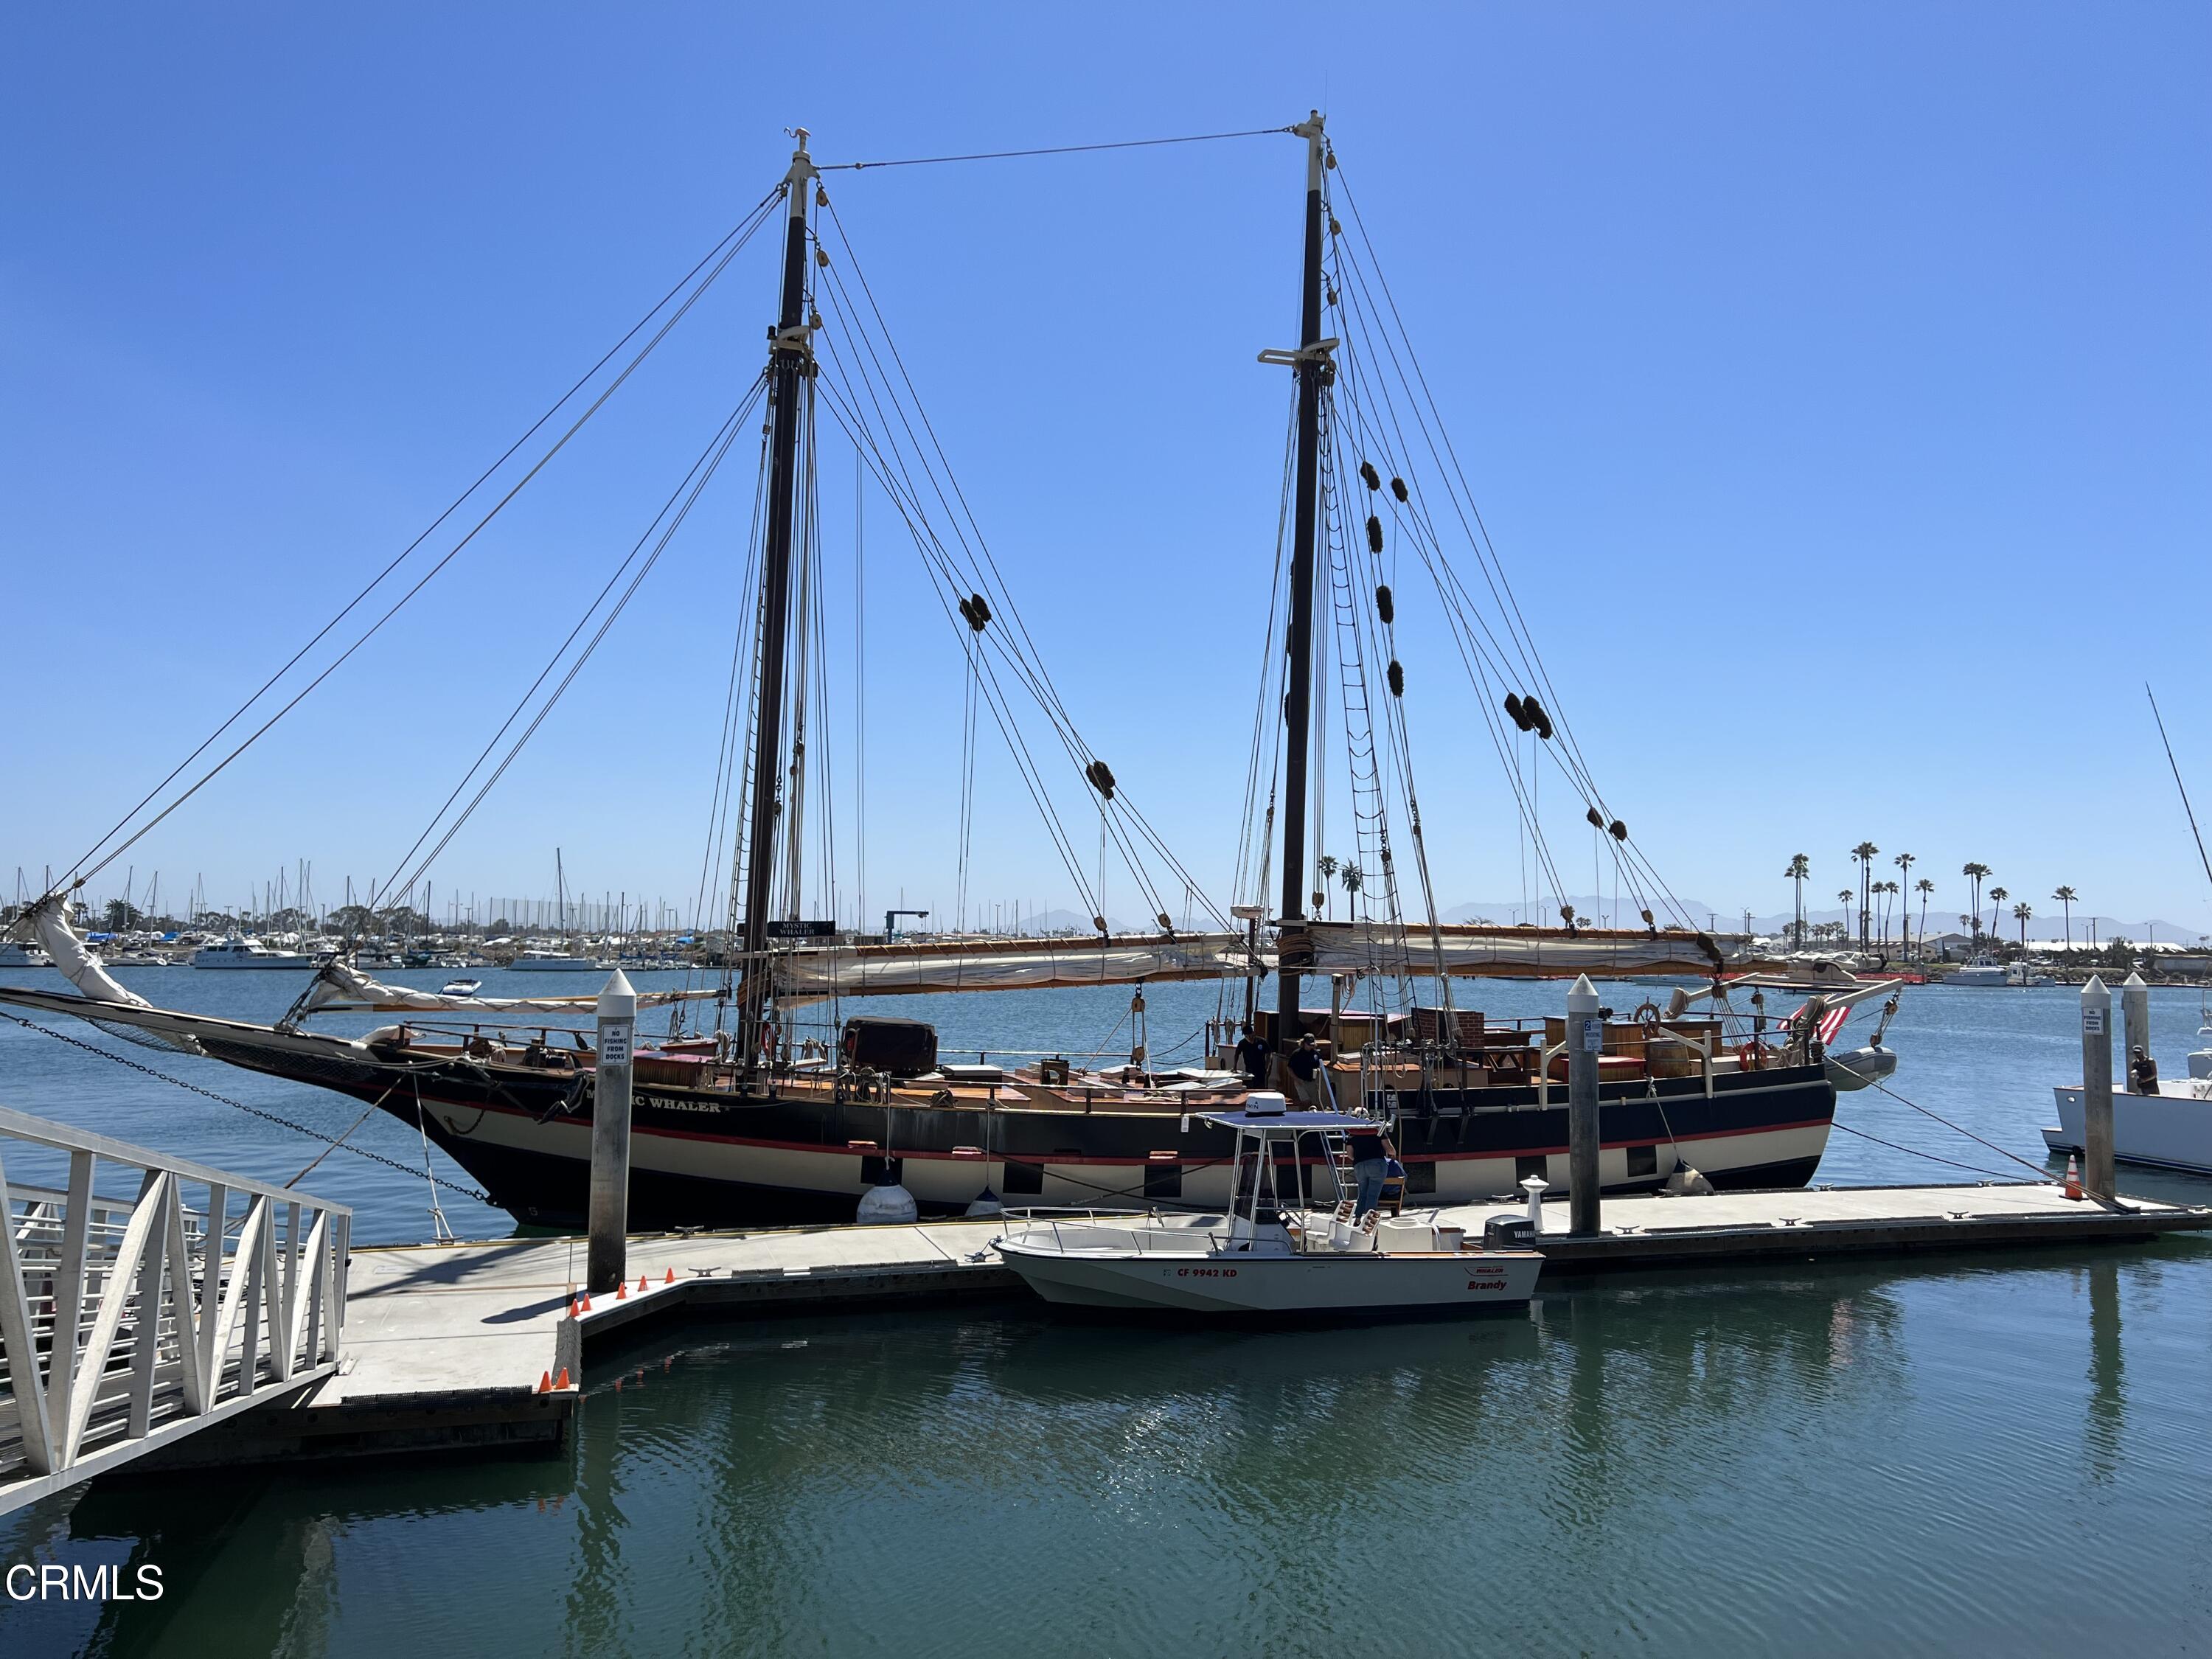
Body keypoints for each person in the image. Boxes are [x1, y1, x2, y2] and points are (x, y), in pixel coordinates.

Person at [1347, 1118, 1397, 1219]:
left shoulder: (1352, 1134)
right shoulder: (1378, 1131)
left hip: (1359, 1165)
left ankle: (1358, 1218)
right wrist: (1394, 1154)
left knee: (1362, 1194)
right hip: (1377, 1164)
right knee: (1373, 1194)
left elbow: (1350, 1155)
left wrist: (1360, 1159)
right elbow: (1389, 1149)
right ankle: (1369, 1219)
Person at [1286, 1034, 1324, 1108]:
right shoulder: (1297, 1054)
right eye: (1309, 1045)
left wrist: (1319, 1071)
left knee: (1316, 1103)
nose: (1311, 1047)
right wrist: (1296, 1079)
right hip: (1300, 1081)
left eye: (1312, 1045)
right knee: (1306, 1102)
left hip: (1312, 1081)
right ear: (1304, 1043)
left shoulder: (1316, 1054)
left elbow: (1320, 1065)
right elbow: (1289, 1068)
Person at [1234, 1022, 1270, 1088]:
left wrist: (1269, 1067)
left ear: (1253, 1033)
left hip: (1261, 1069)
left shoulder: (1262, 1041)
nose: (1249, 1038)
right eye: (1246, 1036)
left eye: (1250, 1035)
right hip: (1249, 1070)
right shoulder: (1242, 1043)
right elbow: (1237, 1054)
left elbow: (1269, 1054)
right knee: (1250, 1087)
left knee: (1261, 1087)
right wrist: (1235, 1067)